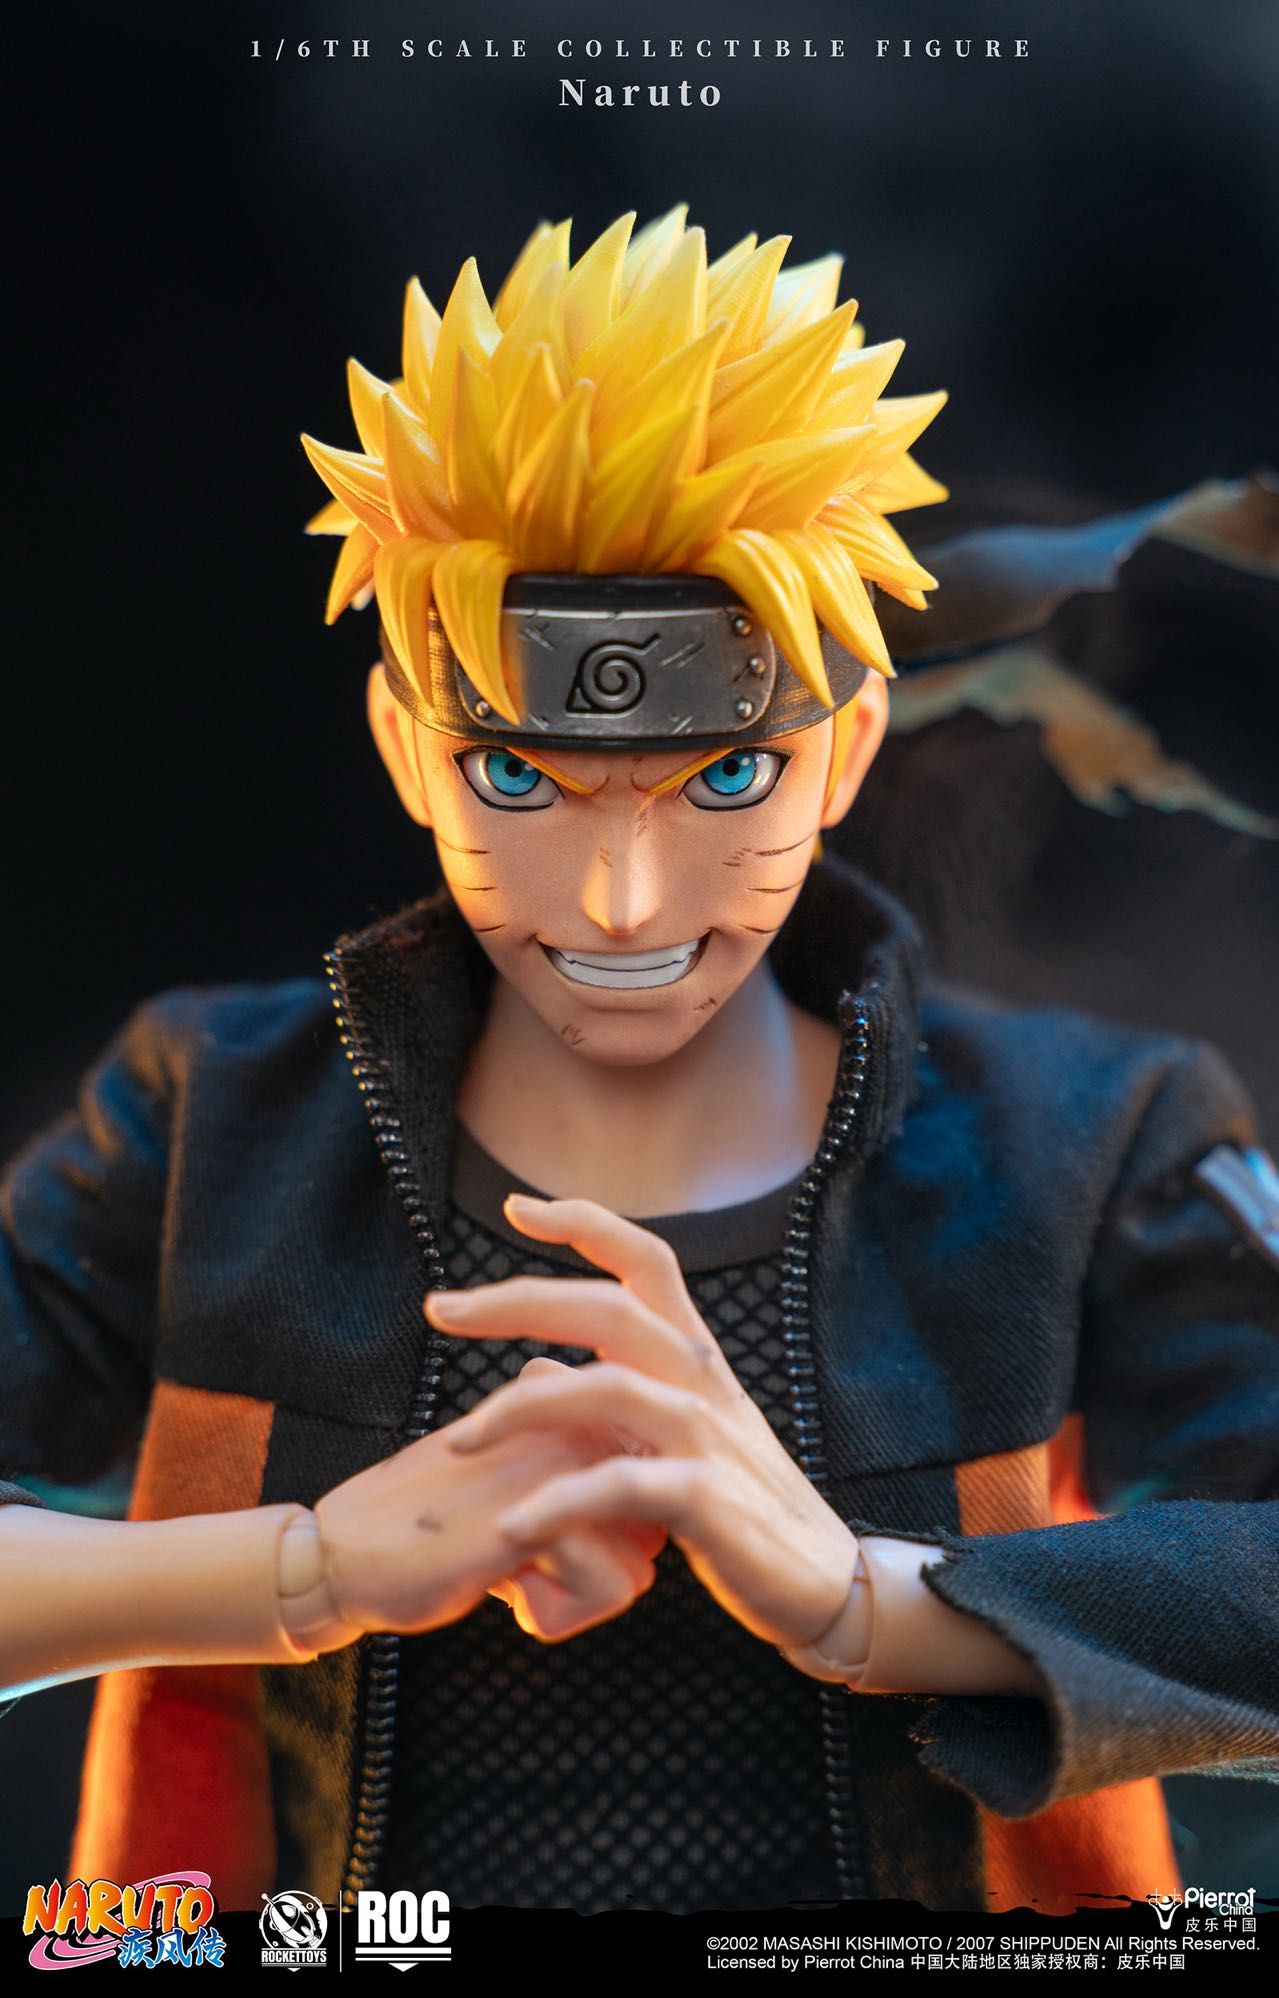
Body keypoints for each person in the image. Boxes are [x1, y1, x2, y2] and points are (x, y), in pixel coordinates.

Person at [2, 212, 1276, 1920]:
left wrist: (870, 1602)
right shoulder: (206, 1118)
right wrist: (306, 1570)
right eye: (517, 779)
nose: (621, 901)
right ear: (407, 748)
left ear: (847, 751)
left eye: (726, 779)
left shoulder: (1093, 1139)